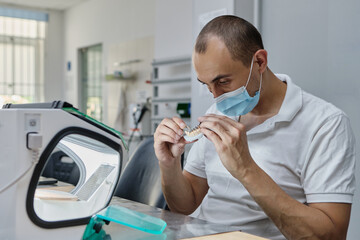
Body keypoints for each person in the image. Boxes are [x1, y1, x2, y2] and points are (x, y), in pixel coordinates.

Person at [154, 15, 355, 240]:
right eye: (207, 86)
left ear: (259, 62)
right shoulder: (216, 113)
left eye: (222, 82)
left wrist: (246, 169)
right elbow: (186, 205)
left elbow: (331, 236)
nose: (216, 97)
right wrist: (169, 165)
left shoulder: (326, 124)